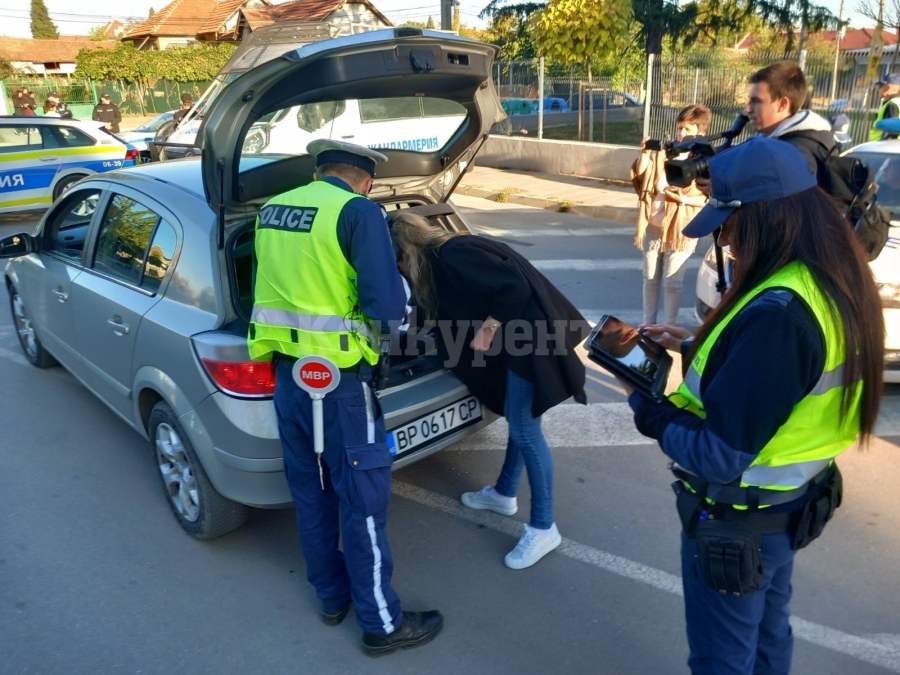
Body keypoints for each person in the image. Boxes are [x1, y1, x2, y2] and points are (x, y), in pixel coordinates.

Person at [624, 136, 884, 675]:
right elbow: (783, 379)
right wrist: (696, 343)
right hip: (786, 507)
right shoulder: (829, 277)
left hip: (739, 519)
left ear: (764, 219)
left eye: (727, 223)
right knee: (768, 635)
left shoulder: (781, 313)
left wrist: (646, 405)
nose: (726, 240)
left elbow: (719, 454)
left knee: (723, 659)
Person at [248, 139, 443, 655]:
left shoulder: (272, 210)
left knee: (311, 493)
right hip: (341, 385)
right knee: (362, 500)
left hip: (290, 378)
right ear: (367, 181)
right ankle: (381, 624)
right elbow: (386, 310)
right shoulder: (358, 213)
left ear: (317, 173)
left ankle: (331, 598)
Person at [389, 212, 589, 569]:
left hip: (529, 340)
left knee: (527, 431)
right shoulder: (443, 258)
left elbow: (515, 286)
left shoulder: (454, 254)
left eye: (398, 262)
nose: (400, 270)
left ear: (406, 251)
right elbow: (442, 312)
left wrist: (489, 327)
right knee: (519, 417)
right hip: (519, 340)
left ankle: (544, 527)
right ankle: (503, 493)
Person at [631, 104, 712, 326]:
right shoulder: (666, 152)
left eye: (687, 129)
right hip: (654, 225)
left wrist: (684, 200)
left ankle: (668, 328)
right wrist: (645, 153)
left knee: (672, 282)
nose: (681, 133)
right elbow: (642, 176)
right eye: (680, 128)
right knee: (649, 277)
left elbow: (708, 200)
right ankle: (647, 325)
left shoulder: (703, 161)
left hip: (682, 228)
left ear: (700, 132)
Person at [744, 60, 836, 180]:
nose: (748, 109)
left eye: (756, 101)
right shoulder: (781, 143)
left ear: (782, 104)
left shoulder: (796, 154)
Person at [869, 72, 900, 141]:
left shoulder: (892, 104)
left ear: (888, 87)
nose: (878, 89)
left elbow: (891, 130)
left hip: (882, 146)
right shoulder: (897, 101)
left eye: (881, 86)